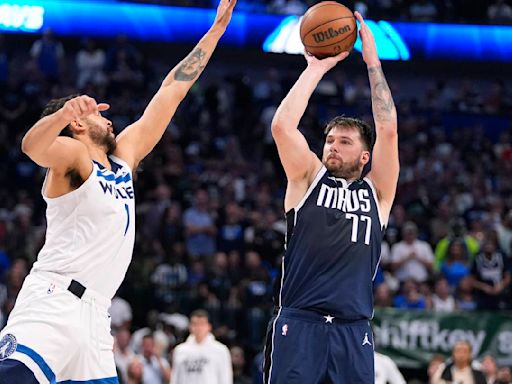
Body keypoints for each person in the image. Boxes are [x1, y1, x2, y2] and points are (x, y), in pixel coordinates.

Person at [0, 0, 237, 382]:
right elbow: (33, 147)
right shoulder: (74, 158)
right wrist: (60, 115)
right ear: (76, 123)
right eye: (95, 112)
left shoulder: (123, 158)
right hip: (54, 301)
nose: (107, 116)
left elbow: (170, 93)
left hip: (96, 316)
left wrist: (213, 34)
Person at [263, 12, 399, 384]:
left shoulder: (378, 192)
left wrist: (373, 63)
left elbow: (387, 130)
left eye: (344, 142)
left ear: (365, 157)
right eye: (329, 140)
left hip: (354, 330)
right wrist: (315, 68)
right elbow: (281, 127)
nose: (332, 147)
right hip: (299, 322)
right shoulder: (308, 177)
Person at [171, 309, 233, 384]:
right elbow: (175, 378)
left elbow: (225, 378)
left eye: (202, 324)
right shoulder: (180, 350)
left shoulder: (220, 350)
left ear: (209, 326)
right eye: (195, 324)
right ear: (190, 326)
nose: (198, 328)